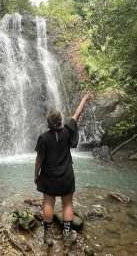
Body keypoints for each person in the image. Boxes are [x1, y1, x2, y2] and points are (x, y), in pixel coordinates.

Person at [34, 93, 92, 246]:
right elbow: (76, 114)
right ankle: (67, 235)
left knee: (48, 202)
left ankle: (48, 235)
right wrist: (84, 99)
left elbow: (39, 159)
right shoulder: (67, 131)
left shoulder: (44, 138)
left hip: (49, 176)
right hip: (66, 175)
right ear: (60, 121)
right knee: (67, 204)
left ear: (48, 122)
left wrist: (36, 175)